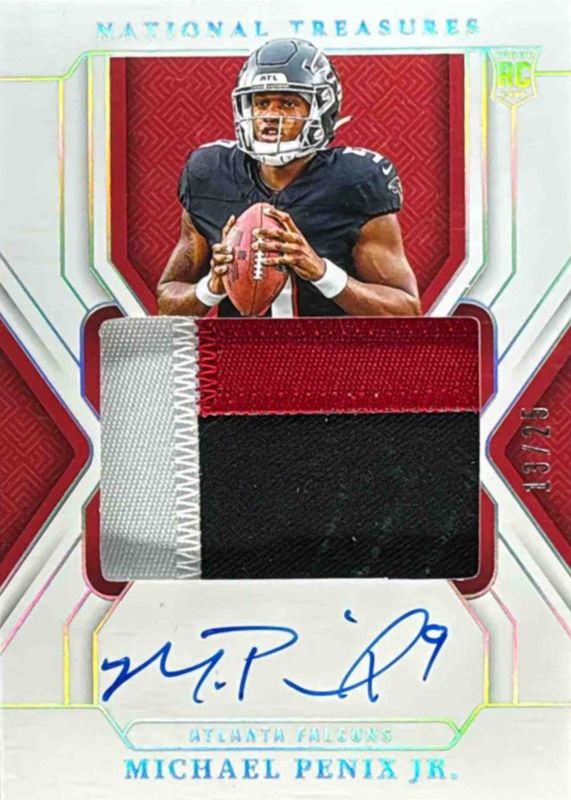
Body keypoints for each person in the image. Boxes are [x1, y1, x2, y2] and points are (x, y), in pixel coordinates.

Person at [157, 38, 420, 318]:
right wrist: (211, 287)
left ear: (321, 109)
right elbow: (167, 302)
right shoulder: (210, 174)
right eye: (261, 103)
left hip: (332, 345)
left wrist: (322, 273)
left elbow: (406, 310)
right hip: (241, 346)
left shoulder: (357, 182)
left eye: (287, 103)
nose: (270, 115)